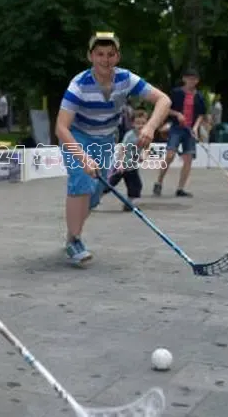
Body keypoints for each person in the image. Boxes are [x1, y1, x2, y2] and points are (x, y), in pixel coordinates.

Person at [56, 32, 171, 267]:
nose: (105, 60)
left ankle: (71, 236)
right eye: (99, 54)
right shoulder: (79, 85)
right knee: (81, 180)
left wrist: (150, 127)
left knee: (96, 192)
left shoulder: (126, 79)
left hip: (106, 139)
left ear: (117, 57)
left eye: (110, 54)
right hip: (77, 137)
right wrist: (83, 157)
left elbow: (164, 100)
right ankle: (75, 240)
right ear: (90, 56)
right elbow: (60, 127)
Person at [153, 68, 207, 198]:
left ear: (197, 81)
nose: (191, 81)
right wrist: (177, 114)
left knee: (188, 159)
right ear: (184, 79)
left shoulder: (199, 96)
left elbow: (201, 114)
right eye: (189, 78)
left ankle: (180, 188)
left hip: (190, 131)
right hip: (177, 128)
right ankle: (159, 182)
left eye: (194, 79)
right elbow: (166, 108)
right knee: (170, 155)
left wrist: (195, 127)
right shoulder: (176, 93)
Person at [105, 109, 149, 212]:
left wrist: (143, 155)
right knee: (109, 185)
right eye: (138, 123)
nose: (140, 125)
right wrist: (120, 164)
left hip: (132, 167)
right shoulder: (130, 135)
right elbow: (122, 149)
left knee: (136, 186)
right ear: (133, 123)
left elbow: (147, 148)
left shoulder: (146, 135)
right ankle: (93, 200)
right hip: (121, 165)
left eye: (143, 123)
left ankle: (128, 204)